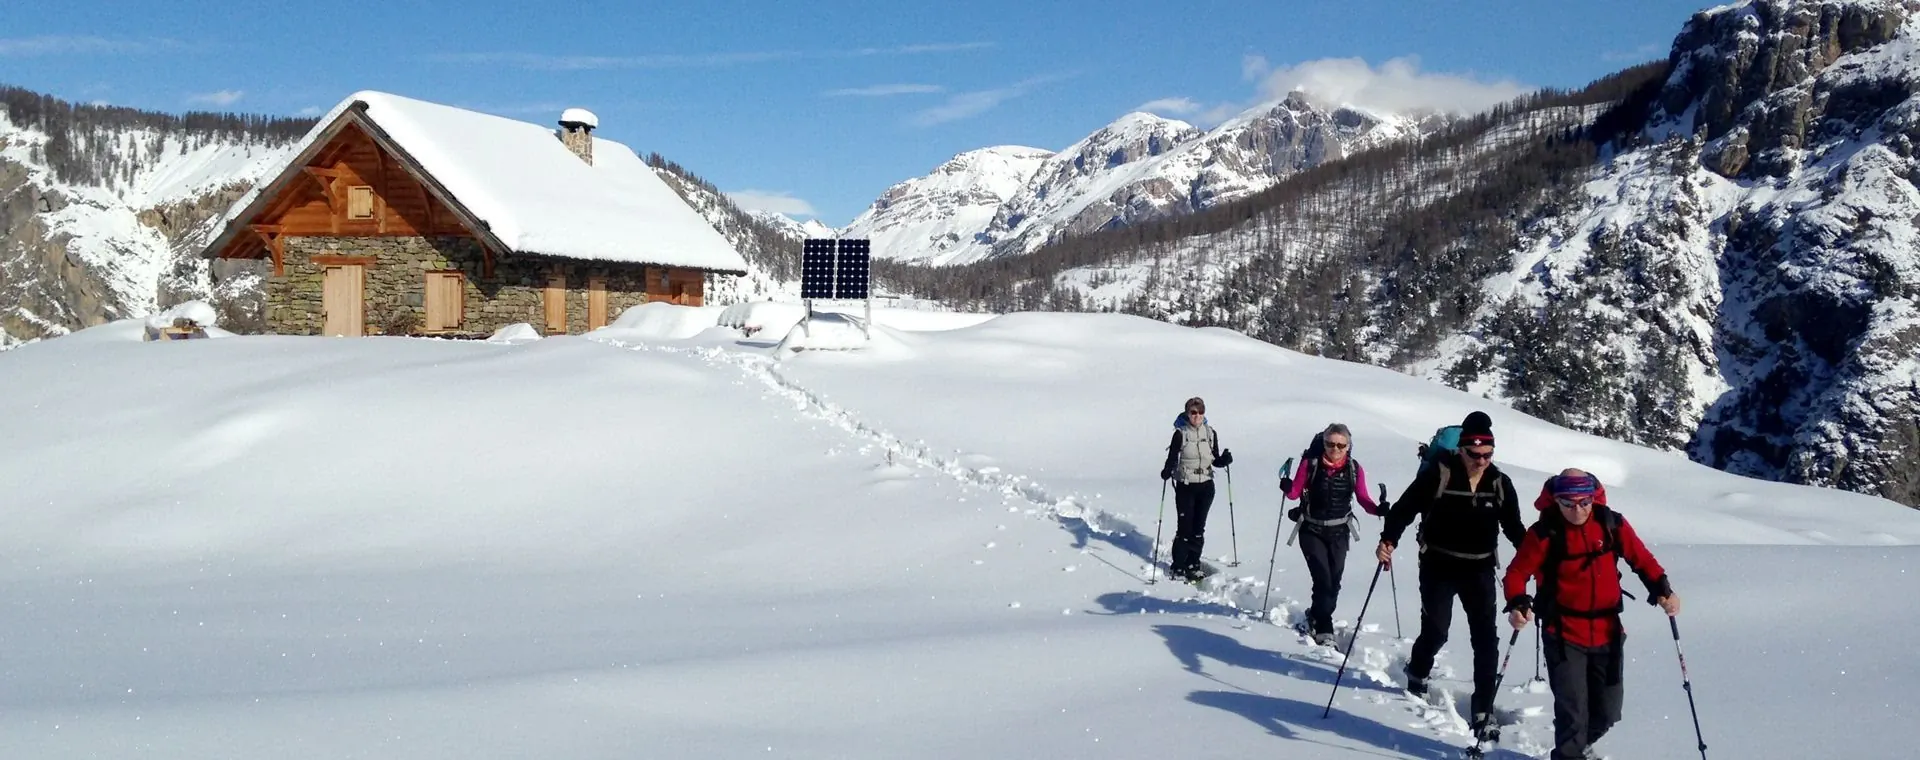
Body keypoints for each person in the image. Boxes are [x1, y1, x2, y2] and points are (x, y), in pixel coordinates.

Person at [1504, 469, 1680, 760]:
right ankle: (1569, 754)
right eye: (1568, 503)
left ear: (1594, 497)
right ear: (1556, 501)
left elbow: (1641, 558)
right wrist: (1517, 602)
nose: (1577, 510)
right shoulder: (1544, 533)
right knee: (1572, 711)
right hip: (1563, 633)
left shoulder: (1611, 524)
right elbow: (1517, 573)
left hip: (1607, 631)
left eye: (1584, 502)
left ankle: (1575, 749)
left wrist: (1662, 587)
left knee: (1608, 712)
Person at [1375, 410, 1525, 742]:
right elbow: (1404, 509)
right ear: (1461, 449)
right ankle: (1417, 671)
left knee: (1486, 641)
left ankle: (1483, 710)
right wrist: (1388, 540)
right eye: (1475, 454)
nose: (1482, 461)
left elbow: (1515, 529)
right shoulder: (1437, 476)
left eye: (1488, 454)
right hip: (1438, 567)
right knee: (1436, 630)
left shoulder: (1499, 484)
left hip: (1480, 569)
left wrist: (1534, 562)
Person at [1280, 423, 1386, 647]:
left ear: (1348, 447)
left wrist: (1378, 509)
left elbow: (1363, 498)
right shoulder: (1310, 464)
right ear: (1324, 444)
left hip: (1339, 531)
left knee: (1334, 582)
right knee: (1323, 580)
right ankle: (1324, 627)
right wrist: (1287, 486)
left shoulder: (1353, 468)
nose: (1335, 449)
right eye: (1330, 444)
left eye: (1340, 445)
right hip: (1311, 530)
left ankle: (1316, 615)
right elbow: (1294, 494)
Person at [1159, 396, 1232, 581]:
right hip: (1186, 485)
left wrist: (1224, 460)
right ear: (1187, 414)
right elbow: (1173, 457)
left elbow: (1214, 458)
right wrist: (1167, 470)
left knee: (1199, 528)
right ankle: (1178, 565)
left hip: (1206, 486)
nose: (1197, 416)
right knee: (1185, 528)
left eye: (1200, 412)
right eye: (1193, 412)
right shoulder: (1180, 434)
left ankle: (1193, 564)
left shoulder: (1210, 433)